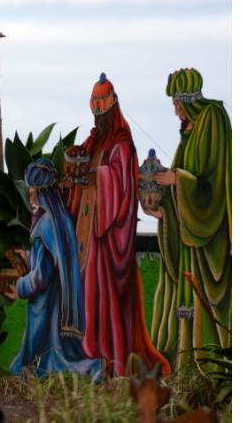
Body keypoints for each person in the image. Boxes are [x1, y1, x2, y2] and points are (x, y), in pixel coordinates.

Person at [66, 73, 170, 377]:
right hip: (90, 233)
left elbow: (120, 184)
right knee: (87, 294)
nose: (98, 117)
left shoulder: (122, 143)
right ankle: (89, 354)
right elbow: (84, 162)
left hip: (108, 238)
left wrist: (95, 174)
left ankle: (109, 357)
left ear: (111, 109)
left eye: (102, 110)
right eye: (95, 110)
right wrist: (77, 155)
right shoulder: (95, 139)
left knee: (105, 296)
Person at [145, 68, 231, 367]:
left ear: (187, 100)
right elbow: (178, 175)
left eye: (176, 104)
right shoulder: (191, 129)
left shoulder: (213, 119)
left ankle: (208, 369)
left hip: (208, 235)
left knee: (205, 302)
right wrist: (163, 209)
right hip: (188, 236)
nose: (175, 112)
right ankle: (186, 369)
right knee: (185, 303)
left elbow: (214, 182)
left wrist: (177, 180)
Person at [7, 159, 101, 379]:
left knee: (49, 355)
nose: (30, 198)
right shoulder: (58, 218)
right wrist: (28, 257)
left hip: (46, 303)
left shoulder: (44, 224)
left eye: (33, 192)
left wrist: (18, 287)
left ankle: (92, 369)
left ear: (42, 193)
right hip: (57, 297)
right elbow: (49, 259)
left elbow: (40, 277)